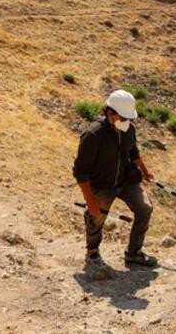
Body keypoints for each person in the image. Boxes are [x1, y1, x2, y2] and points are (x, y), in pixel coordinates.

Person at [73, 89, 158, 267]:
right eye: (124, 118)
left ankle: (133, 253)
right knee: (95, 218)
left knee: (145, 209)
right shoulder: (93, 135)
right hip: (102, 185)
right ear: (109, 113)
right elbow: (80, 171)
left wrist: (144, 170)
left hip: (126, 180)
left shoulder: (129, 129)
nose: (127, 122)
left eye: (129, 118)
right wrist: (90, 199)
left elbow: (133, 151)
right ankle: (92, 252)